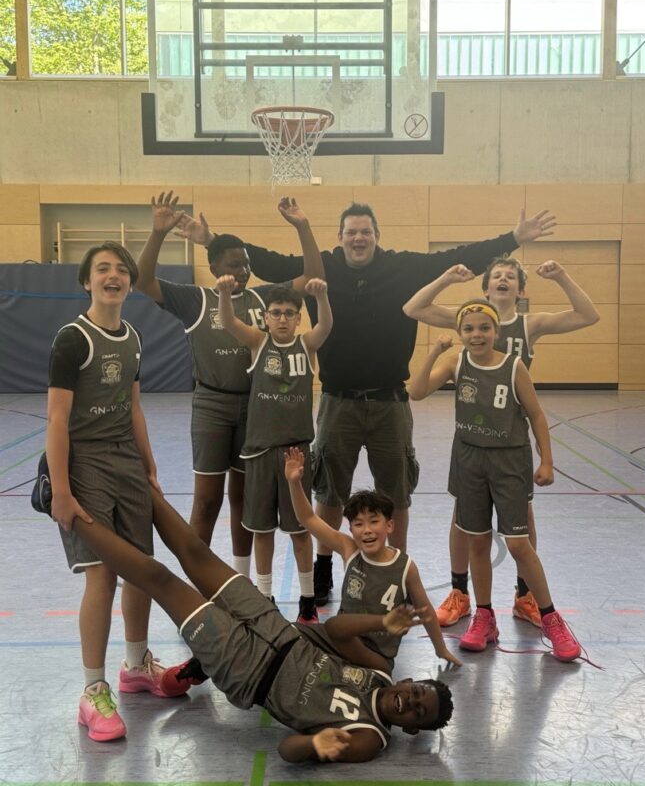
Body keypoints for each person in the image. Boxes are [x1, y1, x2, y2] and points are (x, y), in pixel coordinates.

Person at [173, 203, 556, 606]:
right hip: (338, 401)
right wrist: (212, 241)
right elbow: (270, 262)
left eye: (366, 232)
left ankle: (397, 570)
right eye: (351, 232)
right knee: (329, 492)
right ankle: (323, 569)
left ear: (376, 236)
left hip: (390, 400)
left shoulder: (402, 268)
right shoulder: (324, 267)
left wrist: (513, 239)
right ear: (340, 237)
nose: (358, 238)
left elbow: (460, 256)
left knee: (397, 495)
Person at [65, 490, 455, 763]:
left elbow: (287, 751)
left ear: (411, 730)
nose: (410, 702)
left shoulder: (369, 738)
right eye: (417, 693)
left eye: (417, 713)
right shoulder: (380, 672)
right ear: (409, 681)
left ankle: (66, 512)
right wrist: (381, 621)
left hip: (247, 670)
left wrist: (314, 745)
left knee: (160, 580)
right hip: (276, 627)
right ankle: (137, 480)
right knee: (196, 552)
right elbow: (335, 629)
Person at [403, 257, 600, 628]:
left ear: (520, 289)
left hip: (511, 441)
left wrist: (561, 276)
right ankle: (460, 592)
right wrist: (446, 277)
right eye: (496, 275)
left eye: (511, 276)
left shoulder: (529, 324)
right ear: (486, 287)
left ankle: (525, 596)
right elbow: (413, 308)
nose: (503, 279)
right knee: (463, 519)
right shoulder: (469, 319)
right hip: (474, 444)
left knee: (523, 523)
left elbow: (588, 315)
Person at [136, 192, 324, 578]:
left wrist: (303, 226)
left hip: (255, 410)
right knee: (206, 501)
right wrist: (158, 233)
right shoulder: (196, 300)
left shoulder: (264, 298)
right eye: (234, 265)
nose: (243, 271)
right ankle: (199, 579)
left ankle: (239, 580)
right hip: (212, 405)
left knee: (244, 500)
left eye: (246, 264)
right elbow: (143, 281)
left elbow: (312, 277)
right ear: (214, 266)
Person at [45, 242, 184, 743]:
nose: (114, 275)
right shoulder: (72, 339)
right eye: (102, 268)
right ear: (87, 281)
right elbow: (56, 419)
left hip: (126, 460)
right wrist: (62, 491)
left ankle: (135, 666)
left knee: (141, 569)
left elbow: (134, 407)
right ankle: (92, 690)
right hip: (85, 464)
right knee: (102, 576)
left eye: (122, 269)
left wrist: (148, 464)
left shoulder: (133, 337)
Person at [216, 276, 332, 623]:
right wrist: (224, 294)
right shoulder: (258, 342)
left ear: (298, 318)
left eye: (289, 313)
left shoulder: (306, 345)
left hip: (295, 454)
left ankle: (308, 602)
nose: (282, 319)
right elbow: (228, 321)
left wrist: (321, 298)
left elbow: (326, 326)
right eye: (276, 313)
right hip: (260, 452)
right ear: (266, 317)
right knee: (261, 529)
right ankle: (265, 597)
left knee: (300, 530)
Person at [283, 446, 461, 667]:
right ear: (351, 529)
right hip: (341, 645)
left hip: (377, 658)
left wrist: (441, 649)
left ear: (389, 526)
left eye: (374, 521)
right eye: (358, 524)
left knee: (333, 630)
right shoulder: (350, 550)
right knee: (293, 635)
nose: (366, 530)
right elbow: (308, 518)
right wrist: (294, 482)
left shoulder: (405, 567)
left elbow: (426, 612)